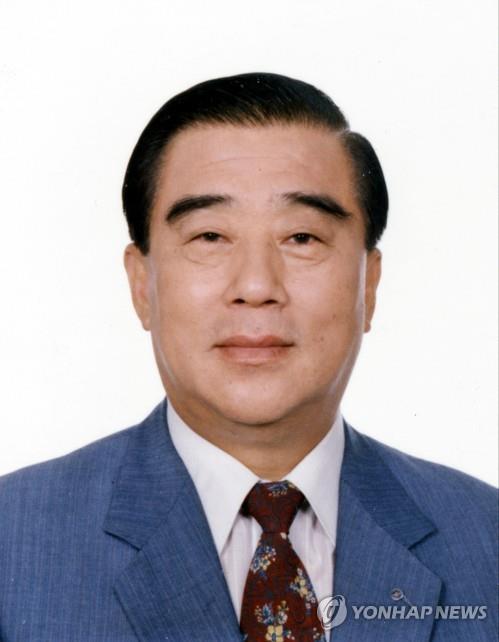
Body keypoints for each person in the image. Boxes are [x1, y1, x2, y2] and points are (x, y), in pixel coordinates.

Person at [0, 73, 496, 642]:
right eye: (210, 237)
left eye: (302, 238)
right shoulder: (13, 543)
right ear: (142, 284)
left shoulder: (485, 539)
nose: (256, 286)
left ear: (369, 284)